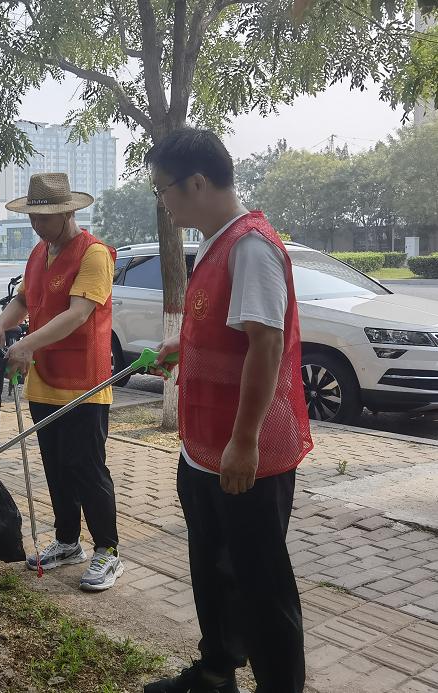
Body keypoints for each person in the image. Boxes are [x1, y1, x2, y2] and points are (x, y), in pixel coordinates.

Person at [143, 129, 313, 693]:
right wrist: (183, 344)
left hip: (247, 453)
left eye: (164, 189)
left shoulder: (251, 247)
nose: (163, 202)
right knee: (212, 569)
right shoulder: (216, 243)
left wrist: (245, 442)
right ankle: (216, 672)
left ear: (196, 183)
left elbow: (267, 345)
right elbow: (229, 330)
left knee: (261, 583)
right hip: (204, 447)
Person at [0, 172, 123, 592]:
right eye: (32, 216)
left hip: (84, 383)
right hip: (45, 379)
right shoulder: (39, 253)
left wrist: (26, 344)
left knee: (87, 468)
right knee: (57, 467)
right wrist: (0, 326)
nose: (36, 224)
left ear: (66, 212)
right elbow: (24, 300)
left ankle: (108, 550)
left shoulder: (94, 254)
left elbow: (78, 313)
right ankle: (67, 540)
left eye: (43, 217)